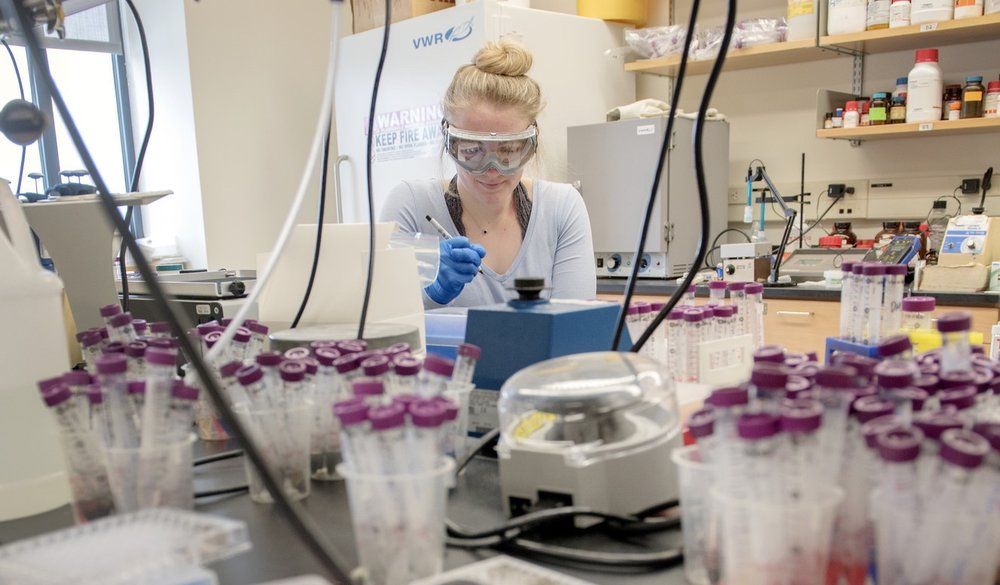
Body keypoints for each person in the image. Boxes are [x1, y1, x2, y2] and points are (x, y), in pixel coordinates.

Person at [380, 40, 596, 308]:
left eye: (509, 150)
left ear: (532, 142)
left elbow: (575, 326)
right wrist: (431, 295)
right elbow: (383, 322)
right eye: (472, 150)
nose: (492, 169)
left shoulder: (562, 207)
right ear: (449, 141)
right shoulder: (411, 204)